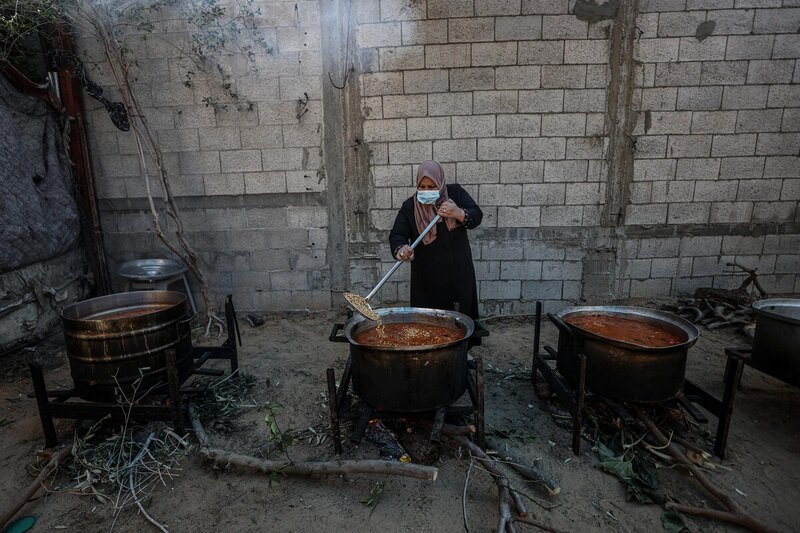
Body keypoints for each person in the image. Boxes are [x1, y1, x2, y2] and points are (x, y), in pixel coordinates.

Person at [389, 160, 483, 319]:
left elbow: (476, 215)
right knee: (429, 323)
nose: (426, 191)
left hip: (458, 273)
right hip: (426, 277)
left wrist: (458, 213)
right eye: (422, 187)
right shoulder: (410, 207)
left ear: (440, 183)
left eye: (432, 187)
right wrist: (401, 249)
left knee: (459, 322)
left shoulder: (456, 194)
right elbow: (397, 234)